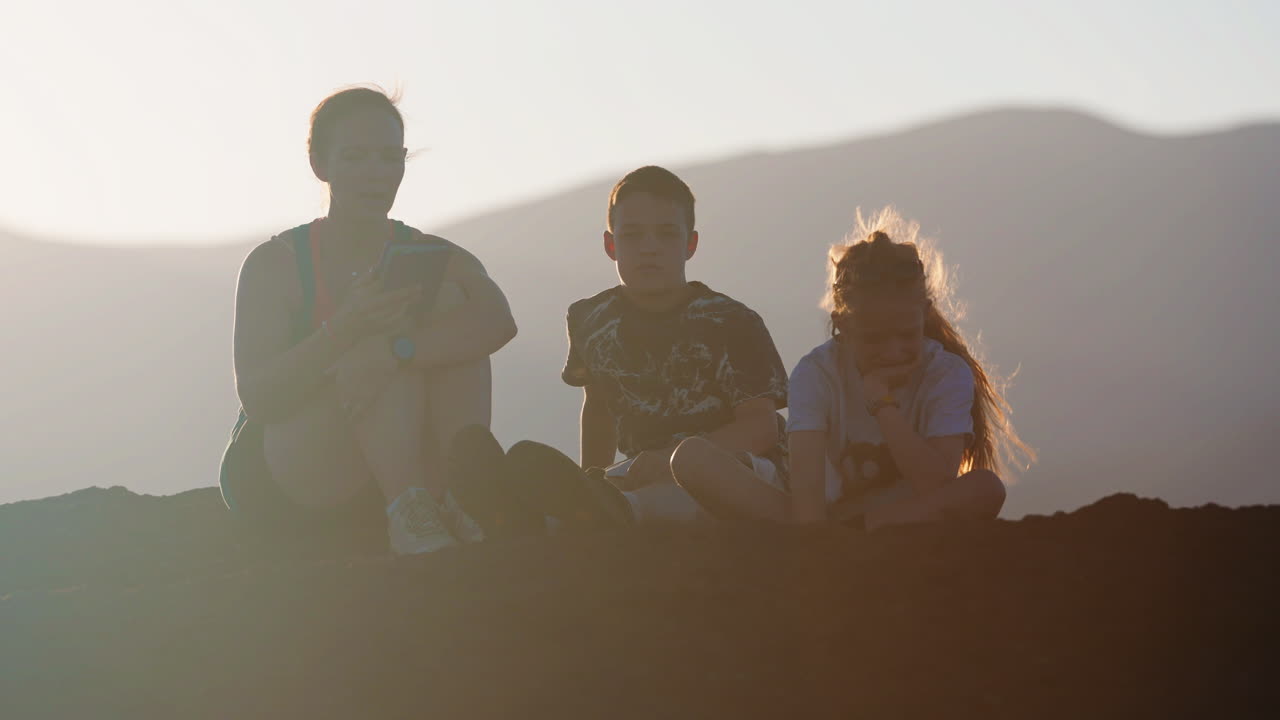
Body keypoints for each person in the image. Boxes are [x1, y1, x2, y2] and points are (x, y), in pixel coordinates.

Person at [220, 86, 517, 554]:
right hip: (294, 471)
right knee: (380, 334)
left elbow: (498, 320)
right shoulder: (276, 263)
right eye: (355, 157)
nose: (374, 174)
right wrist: (347, 330)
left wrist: (394, 352)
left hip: (392, 467)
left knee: (448, 307)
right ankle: (410, 508)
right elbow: (259, 397)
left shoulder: (429, 254)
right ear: (321, 163)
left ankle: (460, 497)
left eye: (387, 158)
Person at [450, 166, 789, 534]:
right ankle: (527, 514)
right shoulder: (591, 319)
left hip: (737, 470)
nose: (649, 247)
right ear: (611, 245)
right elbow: (598, 409)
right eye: (632, 235)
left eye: (666, 234)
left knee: (687, 474)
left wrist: (667, 460)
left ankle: (606, 511)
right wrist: (591, 476)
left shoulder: (731, 321)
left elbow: (761, 426)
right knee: (606, 486)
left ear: (690, 244)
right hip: (642, 467)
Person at [666, 207, 1035, 530]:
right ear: (842, 326)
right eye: (875, 340)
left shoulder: (947, 374)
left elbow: (935, 485)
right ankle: (849, 534)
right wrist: (818, 528)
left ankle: (860, 531)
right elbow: (808, 508)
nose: (893, 351)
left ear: (924, 315)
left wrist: (882, 403)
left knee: (986, 488)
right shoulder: (814, 374)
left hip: (897, 510)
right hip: (810, 512)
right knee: (690, 458)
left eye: (906, 335)